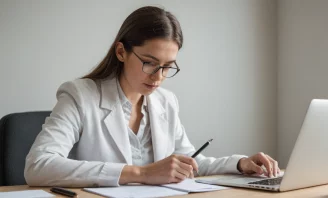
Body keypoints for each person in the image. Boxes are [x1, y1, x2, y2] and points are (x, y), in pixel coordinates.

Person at [24, 6, 280, 187]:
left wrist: (241, 164)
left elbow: (190, 161)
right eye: (149, 62)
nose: (158, 76)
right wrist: (141, 173)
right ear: (122, 52)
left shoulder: (165, 101)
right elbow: (38, 167)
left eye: (168, 66)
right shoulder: (80, 95)